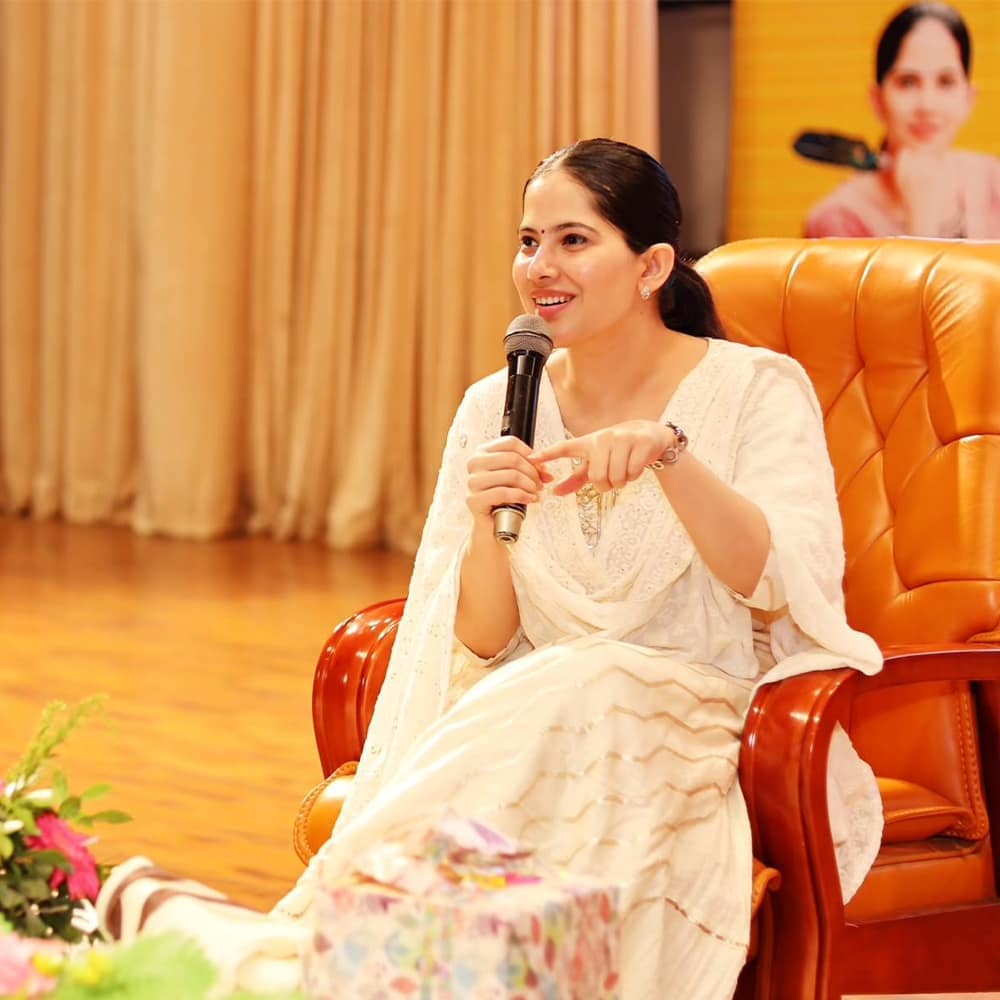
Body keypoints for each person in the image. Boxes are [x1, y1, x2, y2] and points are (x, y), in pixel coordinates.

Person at [98, 139, 884, 999]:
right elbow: (478, 640)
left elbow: (777, 584)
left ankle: (274, 964)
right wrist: (485, 523)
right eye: (528, 240)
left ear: (652, 264)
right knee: (546, 703)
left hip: (702, 717)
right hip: (539, 704)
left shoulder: (755, 388)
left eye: (573, 241)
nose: (540, 267)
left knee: (580, 686)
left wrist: (671, 456)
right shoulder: (498, 403)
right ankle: (330, 957)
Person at [805, 2, 1000, 238]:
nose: (927, 105)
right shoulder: (838, 221)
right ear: (877, 99)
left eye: (946, 82)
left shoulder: (993, 183)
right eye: (907, 82)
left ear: (969, 99)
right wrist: (921, 217)